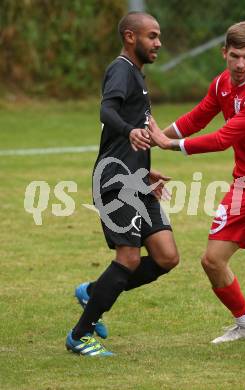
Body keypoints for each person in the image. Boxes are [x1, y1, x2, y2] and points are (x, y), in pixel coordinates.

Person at [148, 21, 245, 344]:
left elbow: (222, 139)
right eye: (234, 56)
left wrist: (169, 145)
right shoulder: (221, 84)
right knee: (212, 261)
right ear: (224, 53)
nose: (240, 64)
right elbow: (197, 117)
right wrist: (158, 136)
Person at [65, 12, 179, 356]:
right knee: (128, 257)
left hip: (135, 180)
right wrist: (129, 130)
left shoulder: (137, 76)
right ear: (131, 37)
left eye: (158, 36)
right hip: (114, 182)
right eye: (152, 36)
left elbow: (132, 140)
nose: (158, 43)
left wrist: (145, 172)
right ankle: (80, 335)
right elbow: (106, 112)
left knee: (166, 256)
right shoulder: (120, 70)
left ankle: (93, 290)